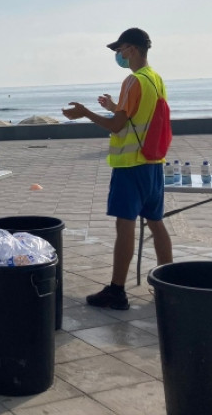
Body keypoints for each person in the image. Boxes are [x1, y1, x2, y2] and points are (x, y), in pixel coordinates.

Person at [62, 28, 173, 310]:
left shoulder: (132, 81)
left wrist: (85, 112)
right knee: (155, 223)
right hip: (153, 164)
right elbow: (136, 115)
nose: (119, 55)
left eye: (120, 50)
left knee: (125, 226)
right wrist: (114, 105)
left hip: (130, 166)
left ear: (132, 49)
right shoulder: (156, 79)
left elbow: (116, 126)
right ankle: (170, 285)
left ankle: (117, 291)